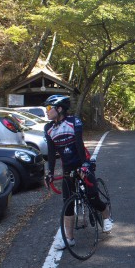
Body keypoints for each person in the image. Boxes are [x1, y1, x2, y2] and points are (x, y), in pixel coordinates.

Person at [43, 95, 112, 250]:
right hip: (67, 168)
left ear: (59, 109)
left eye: (48, 108)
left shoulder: (74, 122)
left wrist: (85, 165)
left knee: (92, 197)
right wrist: (50, 173)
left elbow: (80, 146)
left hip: (82, 162)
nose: (46, 111)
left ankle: (106, 217)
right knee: (67, 204)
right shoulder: (49, 129)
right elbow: (52, 153)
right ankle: (69, 238)